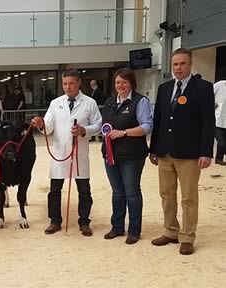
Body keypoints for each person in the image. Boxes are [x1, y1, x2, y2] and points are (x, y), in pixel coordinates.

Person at [149, 48, 215, 255]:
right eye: (175, 64)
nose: (178, 67)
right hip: (165, 152)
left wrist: (206, 152)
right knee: (166, 194)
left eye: (183, 63)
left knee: (188, 197)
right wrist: (153, 149)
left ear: (190, 64)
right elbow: (158, 120)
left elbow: (208, 122)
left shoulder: (203, 88)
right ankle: (170, 231)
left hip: (190, 153)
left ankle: (187, 236)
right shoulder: (164, 88)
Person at [31, 68, 102, 236]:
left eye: (71, 83)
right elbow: (48, 126)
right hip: (60, 153)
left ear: (79, 83)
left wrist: (84, 130)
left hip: (79, 154)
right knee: (55, 190)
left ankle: (84, 221)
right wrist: (41, 124)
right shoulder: (55, 103)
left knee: (84, 190)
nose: (67, 87)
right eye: (64, 84)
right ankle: (55, 221)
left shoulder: (89, 103)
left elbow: (98, 125)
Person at [101, 68, 153, 245]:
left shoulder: (140, 101)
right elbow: (104, 127)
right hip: (110, 155)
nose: (120, 85)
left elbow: (146, 126)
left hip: (132, 156)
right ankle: (117, 227)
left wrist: (124, 132)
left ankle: (134, 230)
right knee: (117, 193)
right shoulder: (109, 103)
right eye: (117, 82)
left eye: (124, 82)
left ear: (131, 83)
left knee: (132, 192)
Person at [214, 80, 226, 165]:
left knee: (223, 142)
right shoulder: (220, 85)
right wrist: (211, 104)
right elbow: (207, 95)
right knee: (221, 142)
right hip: (217, 120)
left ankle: (218, 159)